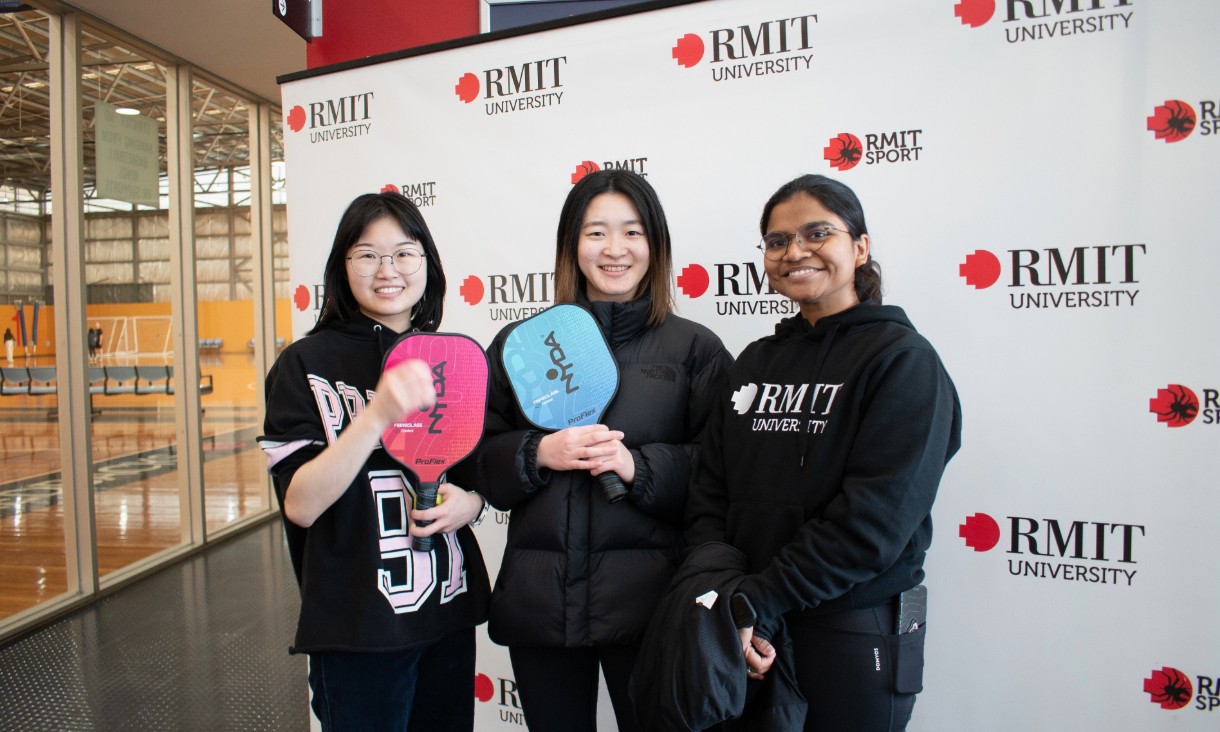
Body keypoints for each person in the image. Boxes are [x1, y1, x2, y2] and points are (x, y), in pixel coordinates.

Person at [685, 174, 962, 731]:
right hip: (747, 632)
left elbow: (873, 522)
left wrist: (757, 601)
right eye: (777, 240)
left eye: (817, 233)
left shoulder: (903, 362)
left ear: (859, 247)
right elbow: (708, 490)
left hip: (850, 628)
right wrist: (728, 596)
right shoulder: (755, 363)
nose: (795, 251)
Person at [475, 170, 734, 732]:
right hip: (541, 608)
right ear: (572, 245)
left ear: (655, 245)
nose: (614, 249)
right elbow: (478, 465)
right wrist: (537, 452)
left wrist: (637, 467)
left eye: (632, 232)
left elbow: (724, 475)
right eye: (596, 233)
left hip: (653, 610)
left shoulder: (697, 349)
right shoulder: (520, 344)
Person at [258, 191, 490, 731]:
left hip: (445, 614)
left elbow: (478, 480)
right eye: (367, 254)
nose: (388, 270)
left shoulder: (448, 356)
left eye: (404, 253)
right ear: (343, 267)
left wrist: (471, 504)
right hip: (357, 627)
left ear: (426, 265)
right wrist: (377, 414)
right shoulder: (304, 363)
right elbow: (300, 505)